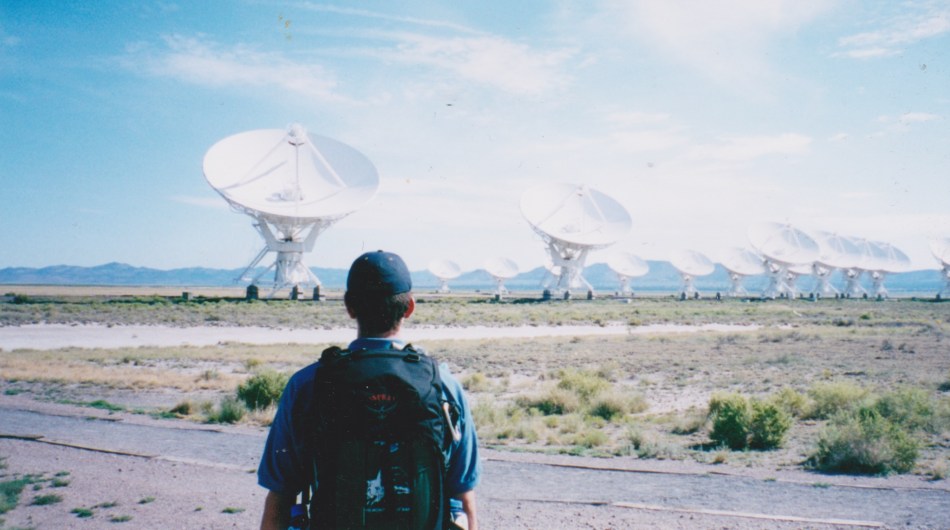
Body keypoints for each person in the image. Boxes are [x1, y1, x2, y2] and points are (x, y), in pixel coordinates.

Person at [258, 250, 481, 530]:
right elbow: (464, 497)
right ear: (410, 307)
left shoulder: (307, 385)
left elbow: (280, 494)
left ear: (350, 307)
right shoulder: (444, 386)